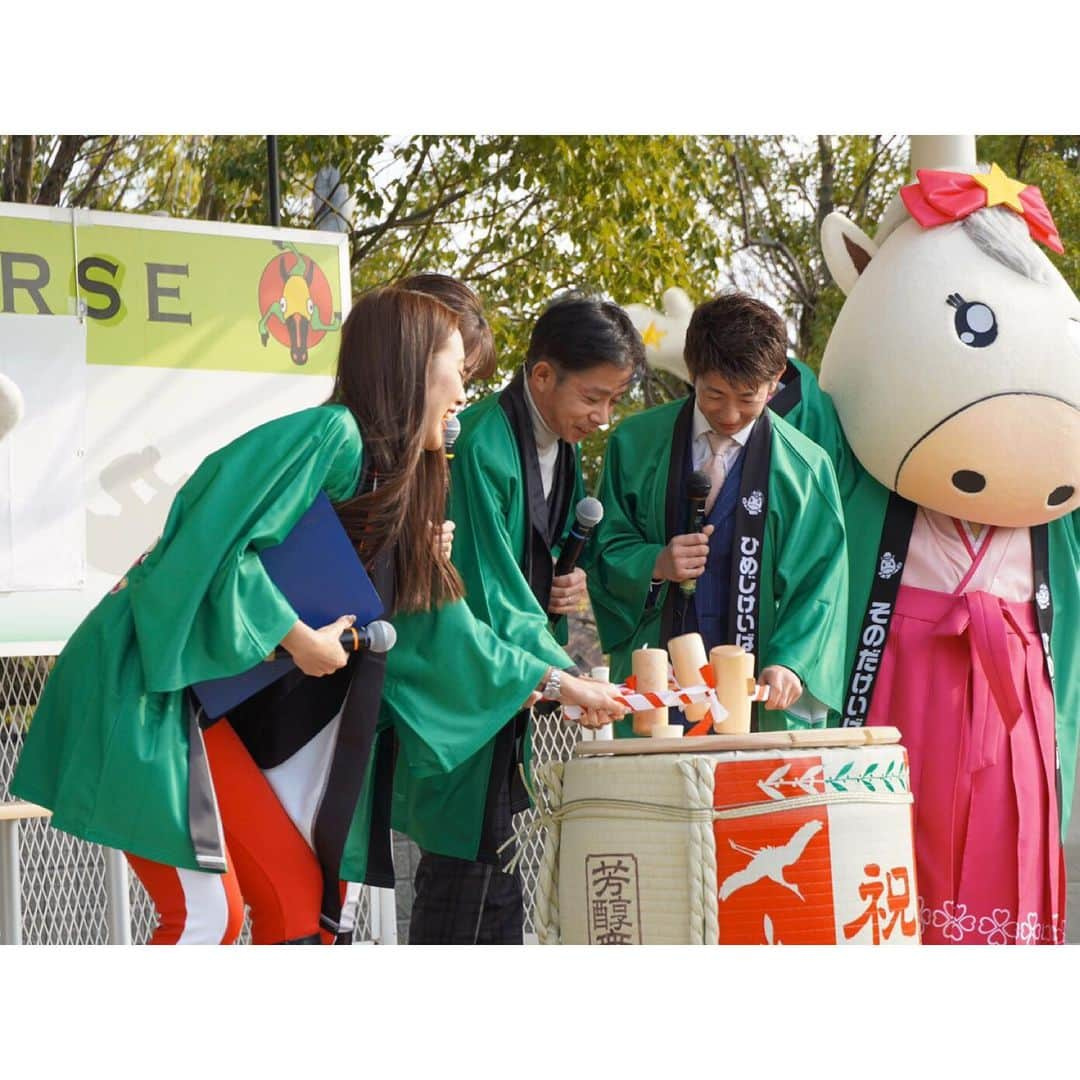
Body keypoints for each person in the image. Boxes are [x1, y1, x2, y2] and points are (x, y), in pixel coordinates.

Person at [12, 285, 627, 945]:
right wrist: (297, 635)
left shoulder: (391, 475)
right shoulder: (334, 436)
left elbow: (442, 631)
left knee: (306, 909)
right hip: (144, 682)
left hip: (200, 701)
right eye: (459, 371)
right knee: (207, 916)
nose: (462, 398)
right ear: (414, 367)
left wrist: (563, 683)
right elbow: (205, 542)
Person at [394, 292, 645, 944]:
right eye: (593, 397)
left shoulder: (559, 448)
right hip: (470, 688)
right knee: (463, 881)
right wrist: (566, 673)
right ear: (541, 376)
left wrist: (561, 592)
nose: (602, 416)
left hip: (510, 688)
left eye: (613, 402)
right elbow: (488, 593)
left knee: (496, 884)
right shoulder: (481, 447)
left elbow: (529, 572)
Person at [588, 290, 850, 732]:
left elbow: (821, 584)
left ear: (776, 380)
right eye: (713, 394)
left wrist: (792, 662)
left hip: (757, 680)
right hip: (659, 676)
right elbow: (605, 547)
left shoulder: (806, 469)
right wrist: (654, 562)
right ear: (692, 372)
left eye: (748, 398)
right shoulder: (634, 445)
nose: (729, 414)